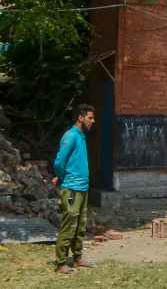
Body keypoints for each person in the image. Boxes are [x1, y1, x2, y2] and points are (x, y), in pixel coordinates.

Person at [52, 104, 96, 274]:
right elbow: (58, 162)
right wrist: (61, 177)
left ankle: (77, 258)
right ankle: (61, 263)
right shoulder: (70, 136)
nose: (93, 121)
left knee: (80, 225)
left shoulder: (81, 136)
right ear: (80, 117)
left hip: (83, 188)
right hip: (71, 189)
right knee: (69, 224)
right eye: (90, 118)